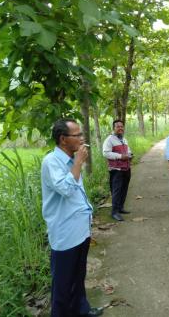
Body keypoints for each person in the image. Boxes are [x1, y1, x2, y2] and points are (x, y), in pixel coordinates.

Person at [41, 119, 103, 317]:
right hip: (65, 232)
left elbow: (77, 193)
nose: (82, 139)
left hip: (80, 229)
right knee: (63, 283)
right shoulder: (51, 162)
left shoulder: (71, 160)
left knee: (78, 276)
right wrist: (78, 163)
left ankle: (81, 310)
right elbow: (66, 189)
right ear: (63, 139)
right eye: (77, 135)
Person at [103, 119, 133, 222]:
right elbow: (106, 153)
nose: (120, 128)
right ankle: (114, 212)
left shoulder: (124, 139)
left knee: (124, 189)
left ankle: (120, 208)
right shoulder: (109, 140)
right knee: (116, 190)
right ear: (114, 128)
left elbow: (128, 150)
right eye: (118, 126)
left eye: (122, 126)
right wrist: (120, 156)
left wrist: (129, 155)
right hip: (116, 170)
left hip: (126, 168)